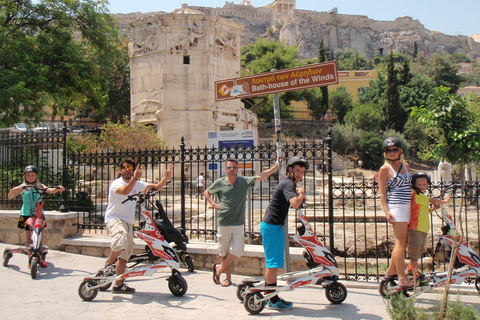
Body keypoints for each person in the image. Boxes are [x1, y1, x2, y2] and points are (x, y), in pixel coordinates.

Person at [205, 158, 278, 287]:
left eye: (234, 167)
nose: (231, 169)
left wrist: (274, 169)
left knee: (238, 248)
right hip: (223, 221)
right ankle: (227, 278)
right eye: (229, 167)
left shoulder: (243, 182)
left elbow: (260, 176)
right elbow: (207, 192)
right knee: (224, 251)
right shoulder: (220, 183)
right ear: (225, 169)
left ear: (237, 169)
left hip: (238, 222)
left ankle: (219, 269)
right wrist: (213, 203)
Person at [103, 158, 173, 293]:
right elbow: (124, 191)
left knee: (125, 255)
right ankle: (109, 264)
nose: (127, 170)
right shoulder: (116, 183)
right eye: (125, 167)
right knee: (120, 238)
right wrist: (135, 179)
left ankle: (118, 285)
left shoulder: (138, 183)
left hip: (128, 222)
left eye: (130, 168)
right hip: (115, 219)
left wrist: (166, 177)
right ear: (120, 169)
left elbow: (157, 187)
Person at [260, 156, 308, 310]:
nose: (300, 174)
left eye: (302, 171)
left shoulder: (289, 184)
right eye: (298, 171)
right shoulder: (288, 184)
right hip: (272, 227)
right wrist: (301, 193)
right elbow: (294, 203)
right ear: (290, 170)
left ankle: (270, 295)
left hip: (274, 227)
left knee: (273, 263)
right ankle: (272, 300)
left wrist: (298, 192)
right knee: (273, 265)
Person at [8, 165, 65, 267]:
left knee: (40, 236)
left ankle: (39, 258)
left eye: (32, 175)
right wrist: (14, 190)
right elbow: (10, 196)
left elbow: (50, 190)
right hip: (26, 213)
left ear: (36, 176)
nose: (30, 177)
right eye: (28, 175)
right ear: (25, 176)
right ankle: (30, 259)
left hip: (38, 214)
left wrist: (58, 188)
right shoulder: (22, 187)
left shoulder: (39, 185)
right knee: (29, 238)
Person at [378, 137, 413, 288]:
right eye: (388, 150)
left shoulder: (405, 165)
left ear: (400, 151)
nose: (392, 153)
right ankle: (401, 277)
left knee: (403, 242)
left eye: (394, 150)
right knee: (400, 243)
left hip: (408, 206)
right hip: (396, 206)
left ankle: (391, 271)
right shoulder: (385, 169)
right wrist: (387, 212)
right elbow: (382, 193)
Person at [407, 172, 450, 284]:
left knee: (419, 250)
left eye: (424, 184)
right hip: (416, 228)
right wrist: (444, 201)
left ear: (427, 185)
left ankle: (411, 269)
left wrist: (434, 209)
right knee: (415, 252)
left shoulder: (421, 197)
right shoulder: (417, 195)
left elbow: (424, 210)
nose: (422, 186)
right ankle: (415, 272)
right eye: (419, 184)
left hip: (422, 228)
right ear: (414, 185)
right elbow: (431, 200)